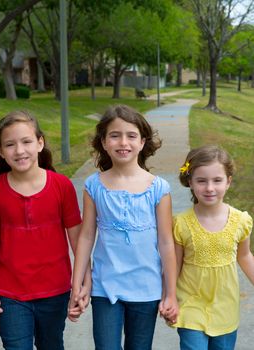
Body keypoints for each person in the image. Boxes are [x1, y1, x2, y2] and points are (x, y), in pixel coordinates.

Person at [0, 110, 91, 350]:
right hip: (10, 294)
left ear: (40, 143)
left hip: (55, 291)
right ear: (0, 151)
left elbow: (78, 241)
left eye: (26, 141)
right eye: (10, 144)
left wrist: (83, 282)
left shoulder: (62, 186)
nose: (19, 150)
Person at [69, 104, 178, 350]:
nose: (123, 142)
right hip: (105, 286)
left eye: (131, 136)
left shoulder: (158, 188)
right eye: (115, 135)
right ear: (104, 142)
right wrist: (77, 283)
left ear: (142, 142)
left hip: (147, 287)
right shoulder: (94, 186)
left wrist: (170, 292)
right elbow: (86, 237)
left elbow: (166, 242)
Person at [172, 145, 254, 350]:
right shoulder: (180, 223)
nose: (209, 188)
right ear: (190, 182)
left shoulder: (240, 221)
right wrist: (169, 297)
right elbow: (175, 265)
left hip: (225, 305)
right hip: (190, 303)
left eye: (217, 180)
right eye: (201, 180)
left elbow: (245, 256)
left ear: (228, 182)